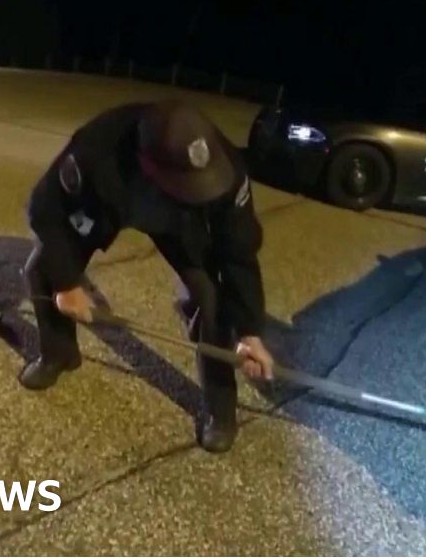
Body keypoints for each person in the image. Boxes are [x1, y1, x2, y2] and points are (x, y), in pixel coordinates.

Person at [21, 100, 275, 453]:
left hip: (178, 220)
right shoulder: (96, 148)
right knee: (42, 269)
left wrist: (250, 332)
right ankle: (57, 354)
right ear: (147, 164)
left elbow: (239, 251)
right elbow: (45, 210)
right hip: (112, 204)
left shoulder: (226, 170)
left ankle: (221, 410)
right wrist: (66, 283)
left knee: (210, 298)